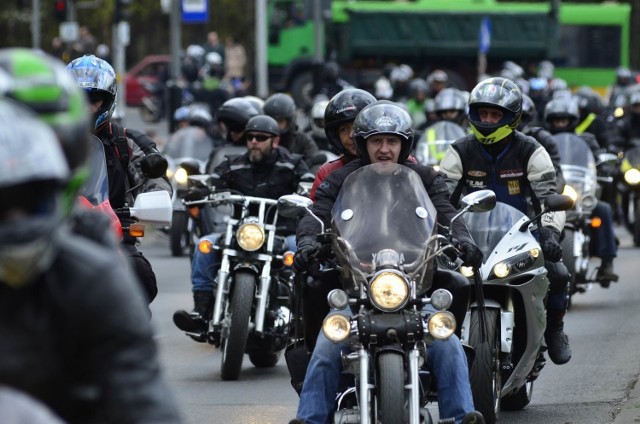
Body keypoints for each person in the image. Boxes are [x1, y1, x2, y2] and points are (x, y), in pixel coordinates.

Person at [290, 101, 485, 424]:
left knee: (446, 341)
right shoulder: (339, 179)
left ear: (404, 144)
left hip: (412, 289)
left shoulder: (424, 178)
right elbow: (317, 214)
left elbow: (447, 214)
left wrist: (464, 241)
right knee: (327, 345)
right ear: (363, 144)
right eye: (376, 141)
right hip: (357, 290)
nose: (384, 149)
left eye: (391, 141)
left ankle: (459, 416)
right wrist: (309, 241)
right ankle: (311, 419)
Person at [0, 98, 182, 424]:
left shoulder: (127, 141)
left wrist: (149, 197)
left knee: (135, 272)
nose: (14, 219)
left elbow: (143, 403)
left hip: (109, 222)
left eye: (28, 195)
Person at [439, 77, 572, 365]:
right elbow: (441, 198)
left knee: (558, 274)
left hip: (521, 232)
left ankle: (554, 330)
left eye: (494, 114)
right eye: (483, 113)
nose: (487, 120)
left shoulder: (531, 149)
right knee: (434, 278)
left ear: (511, 117)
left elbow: (549, 196)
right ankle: (436, 343)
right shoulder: (459, 150)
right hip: (469, 235)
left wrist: (549, 233)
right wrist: (442, 233)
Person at [173, 115, 314, 335]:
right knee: (204, 245)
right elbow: (214, 180)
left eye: (260, 137)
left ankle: (301, 315)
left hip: (281, 232)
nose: (254, 142)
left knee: (298, 249)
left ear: (275, 141)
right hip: (242, 232)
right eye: (250, 137)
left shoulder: (291, 163)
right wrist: (204, 189)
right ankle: (201, 311)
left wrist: (305, 189)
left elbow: (307, 181)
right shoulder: (233, 163)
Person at [66, 55, 173, 305]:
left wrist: (154, 198)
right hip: (58, 229)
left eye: (93, 99)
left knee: (140, 275)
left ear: (108, 100)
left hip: (112, 232)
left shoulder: (127, 142)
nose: (84, 107)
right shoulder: (48, 140)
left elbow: (156, 180)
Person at [543, 97, 619, 284]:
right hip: (554, 192)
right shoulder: (541, 142)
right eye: (556, 121)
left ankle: (607, 263)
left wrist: (604, 166)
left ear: (572, 121)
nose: (560, 124)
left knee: (603, 209)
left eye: (564, 120)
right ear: (550, 121)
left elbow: (597, 158)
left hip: (580, 191)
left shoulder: (586, 140)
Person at [309, 88, 376, 201]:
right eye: (344, 130)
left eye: (356, 126)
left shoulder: (398, 163)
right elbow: (317, 212)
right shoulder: (328, 172)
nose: (351, 135)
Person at [264, 92, 319, 163]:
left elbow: (314, 163)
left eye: (280, 121)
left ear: (290, 121)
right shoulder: (258, 139)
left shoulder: (303, 140)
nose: (274, 125)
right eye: (271, 121)